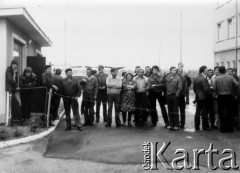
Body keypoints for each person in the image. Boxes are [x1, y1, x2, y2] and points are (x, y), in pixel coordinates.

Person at [214, 66, 239, 133]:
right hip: (229, 96)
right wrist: (233, 90)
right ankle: (230, 128)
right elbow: (237, 84)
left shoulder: (217, 78)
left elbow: (214, 88)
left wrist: (217, 92)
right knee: (229, 112)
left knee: (221, 112)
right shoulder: (230, 77)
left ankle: (223, 128)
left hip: (220, 96)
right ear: (225, 70)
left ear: (219, 71)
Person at [193, 66, 211, 131]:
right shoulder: (203, 79)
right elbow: (206, 89)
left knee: (197, 111)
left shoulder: (196, 78)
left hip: (198, 96)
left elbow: (194, 88)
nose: (207, 71)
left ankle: (196, 126)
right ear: (203, 71)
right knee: (204, 112)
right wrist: (209, 95)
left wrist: (197, 93)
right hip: (204, 97)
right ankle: (205, 126)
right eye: (206, 70)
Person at [5, 60, 22, 126]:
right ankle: (19, 121)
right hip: (10, 89)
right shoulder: (9, 70)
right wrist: (15, 86)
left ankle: (13, 122)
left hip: (14, 90)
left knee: (14, 106)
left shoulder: (14, 71)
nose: (15, 66)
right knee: (16, 105)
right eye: (14, 64)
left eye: (16, 65)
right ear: (12, 64)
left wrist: (17, 86)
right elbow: (10, 79)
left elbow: (16, 80)